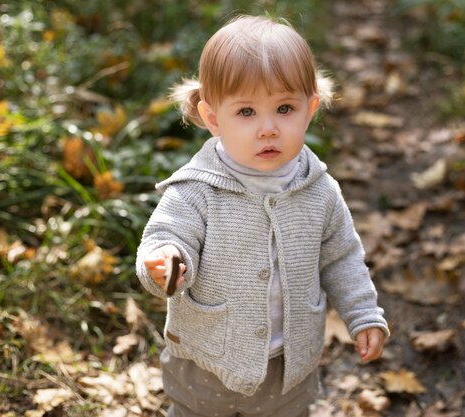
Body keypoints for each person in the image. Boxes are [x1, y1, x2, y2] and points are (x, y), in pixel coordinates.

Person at [136, 14, 389, 417]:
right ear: (214, 118)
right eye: (247, 112)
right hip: (207, 364)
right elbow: (168, 236)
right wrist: (166, 262)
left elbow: (341, 256)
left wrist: (363, 315)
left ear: (310, 109)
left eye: (284, 108)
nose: (268, 128)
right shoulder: (196, 190)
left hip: (288, 367)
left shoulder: (319, 189)